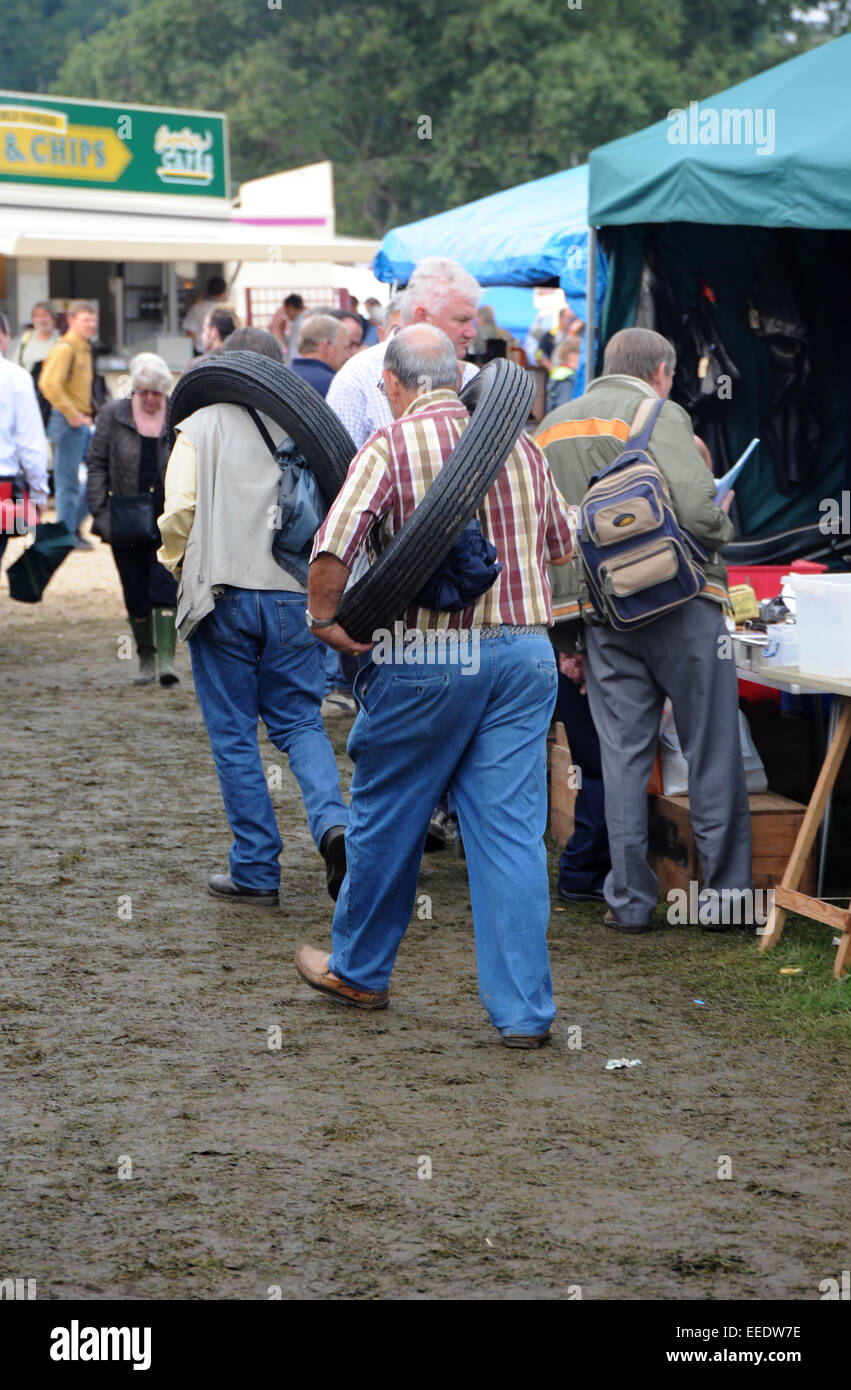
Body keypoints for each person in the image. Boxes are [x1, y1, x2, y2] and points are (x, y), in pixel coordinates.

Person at [293, 324, 574, 1048]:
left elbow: (332, 548)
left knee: (387, 817)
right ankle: (523, 1014)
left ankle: (358, 970)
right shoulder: (523, 446)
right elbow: (559, 546)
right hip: (523, 656)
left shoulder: (387, 447)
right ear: (455, 375)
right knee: (510, 834)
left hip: (426, 656)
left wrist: (327, 620)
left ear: (391, 383)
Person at [537, 326, 751, 933]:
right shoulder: (659, 412)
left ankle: (629, 902)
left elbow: (546, 539)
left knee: (622, 761)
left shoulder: (551, 426)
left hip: (605, 618)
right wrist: (720, 522)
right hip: (683, 605)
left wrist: (566, 637)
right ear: (660, 371)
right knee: (711, 753)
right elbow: (693, 507)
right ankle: (726, 903)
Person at [157, 326, 349, 906]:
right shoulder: (310, 432)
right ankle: (336, 828)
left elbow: (179, 511)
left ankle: (257, 870)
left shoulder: (200, 426)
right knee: (300, 723)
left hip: (223, 597)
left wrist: (177, 566)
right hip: (296, 597)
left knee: (235, 735)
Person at [86, 353, 179, 687]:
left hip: (168, 516)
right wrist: (100, 510)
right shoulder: (114, 414)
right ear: (134, 391)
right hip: (125, 516)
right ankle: (146, 657)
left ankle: (168, 660)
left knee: (165, 585)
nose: (151, 399)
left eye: (157, 392)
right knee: (135, 589)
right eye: (144, 392)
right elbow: (96, 463)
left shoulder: (178, 414)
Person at [326, 256, 480, 451]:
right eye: (461, 320)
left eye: (472, 321)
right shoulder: (358, 377)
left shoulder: (471, 375)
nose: (471, 332)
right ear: (423, 317)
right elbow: (338, 472)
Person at [39, 298, 98, 549]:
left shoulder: (84, 347)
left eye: (94, 320)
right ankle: (65, 535)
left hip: (80, 422)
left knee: (95, 478)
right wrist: (72, 413)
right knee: (67, 483)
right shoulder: (65, 348)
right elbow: (48, 384)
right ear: (72, 321)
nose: (92, 324)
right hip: (66, 423)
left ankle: (72, 527)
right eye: (86, 320)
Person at [0, 312, 49, 571]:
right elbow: (30, 444)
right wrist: (39, 494)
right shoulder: (15, 377)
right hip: (3, 487)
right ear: (3, 336)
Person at [289, 313, 354, 396]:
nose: (348, 356)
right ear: (327, 346)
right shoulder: (334, 385)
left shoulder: (282, 377)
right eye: (345, 348)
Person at [9, 301, 60, 372]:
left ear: (54, 319)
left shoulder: (61, 340)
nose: (40, 319)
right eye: (36, 316)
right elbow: (13, 365)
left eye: (44, 315)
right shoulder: (25, 338)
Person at [182, 276, 227, 355]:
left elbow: (190, 333)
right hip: (222, 351)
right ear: (223, 292)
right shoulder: (227, 310)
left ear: (207, 291)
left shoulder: (197, 308)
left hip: (200, 351)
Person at [546, 335, 581, 413]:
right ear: (572, 355)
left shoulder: (561, 372)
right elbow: (565, 409)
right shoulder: (567, 379)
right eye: (582, 353)